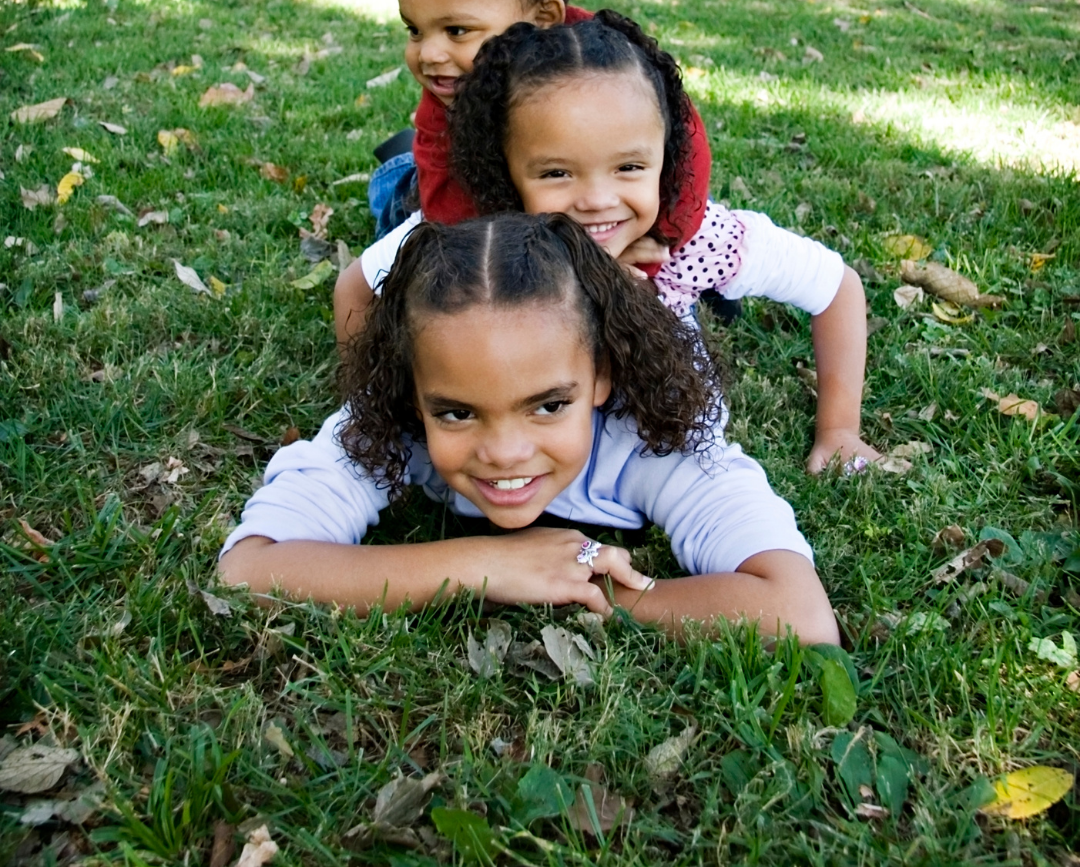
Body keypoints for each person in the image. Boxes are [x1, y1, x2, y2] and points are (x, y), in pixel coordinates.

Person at [221, 214, 838, 643]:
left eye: (547, 406)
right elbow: (248, 569)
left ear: (603, 378)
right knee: (405, 189)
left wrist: (602, 594)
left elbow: (798, 612)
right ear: (412, 392)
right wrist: (479, 564)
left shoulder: (656, 439)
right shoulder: (391, 424)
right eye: (457, 413)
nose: (505, 453)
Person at [349, 14, 882, 475]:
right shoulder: (476, 247)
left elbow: (836, 287)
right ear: (506, 172)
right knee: (401, 192)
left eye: (629, 167)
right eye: (557, 173)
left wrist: (839, 429)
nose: (598, 201)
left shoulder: (693, 243)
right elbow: (355, 287)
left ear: (666, 156)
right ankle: (401, 167)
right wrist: (382, 409)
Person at [337, 0, 729, 337]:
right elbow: (452, 217)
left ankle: (709, 281)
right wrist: (564, 261)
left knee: (676, 220)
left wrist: (661, 238)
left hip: (573, 188)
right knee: (404, 204)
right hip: (473, 188)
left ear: (544, 17)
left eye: (457, 30)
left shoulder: (605, 67)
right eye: (415, 30)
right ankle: (395, 169)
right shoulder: (449, 97)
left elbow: (685, 145)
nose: (428, 53)